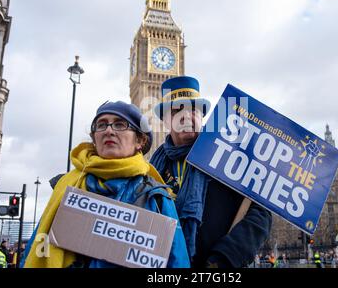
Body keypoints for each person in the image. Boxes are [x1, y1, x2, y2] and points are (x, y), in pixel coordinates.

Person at [22, 101, 190, 268]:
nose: (109, 130)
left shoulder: (157, 198)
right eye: (101, 125)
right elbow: (35, 248)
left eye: (120, 124)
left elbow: (177, 262)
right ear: (94, 139)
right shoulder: (66, 187)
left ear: (139, 141)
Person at [151, 76, 272, 268]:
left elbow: (260, 214)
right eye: (176, 110)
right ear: (166, 121)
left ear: (202, 116)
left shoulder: (229, 156)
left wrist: (224, 259)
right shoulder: (151, 168)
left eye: (193, 109)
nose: (186, 116)